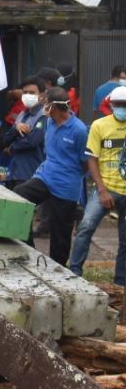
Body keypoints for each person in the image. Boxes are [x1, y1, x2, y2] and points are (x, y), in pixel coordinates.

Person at [13, 87, 88, 267]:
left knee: (60, 235)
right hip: (45, 176)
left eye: (46, 103)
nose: (43, 106)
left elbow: (85, 162)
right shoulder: (49, 123)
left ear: (54, 106)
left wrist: (72, 175)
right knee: (18, 196)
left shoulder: (78, 130)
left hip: (66, 185)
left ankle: (59, 269)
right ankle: (28, 247)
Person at [70, 86, 126, 286]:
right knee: (85, 227)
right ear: (111, 106)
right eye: (118, 105)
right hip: (106, 188)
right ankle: (74, 273)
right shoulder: (99, 126)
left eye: (125, 105)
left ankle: (121, 283)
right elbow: (92, 159)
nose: (122, 108)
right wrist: (101, 190)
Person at [1, 77, 47, 192]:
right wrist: (16, 129)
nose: (27, 95)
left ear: (41, 96)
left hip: (31, 173)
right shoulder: (22, 114)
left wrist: (12, 147)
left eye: (32, 93)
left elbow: (33, 141)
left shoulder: (43, 116)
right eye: (25, 92)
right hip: (14, 171)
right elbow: (6, 139)